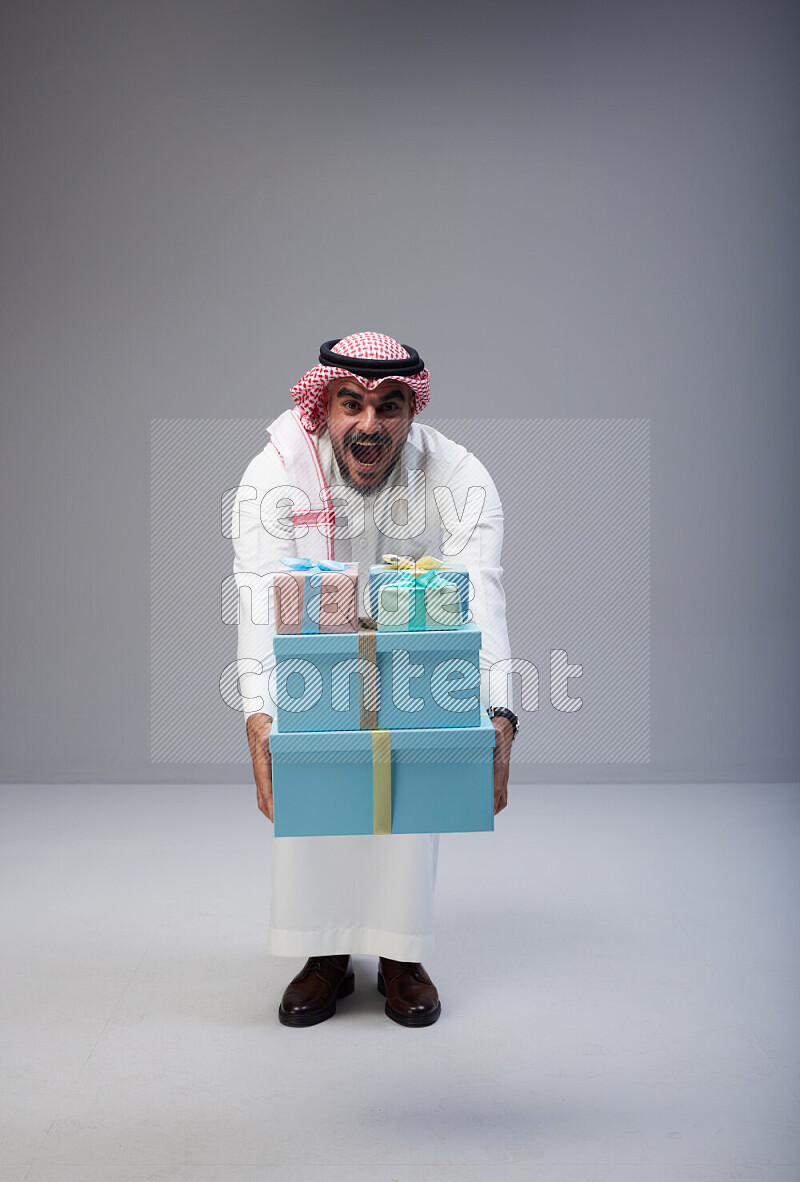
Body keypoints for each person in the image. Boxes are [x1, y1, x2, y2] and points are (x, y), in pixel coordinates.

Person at [231, 332, 517, 1027]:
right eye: (351, 403)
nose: (369, 424)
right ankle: (324, 955)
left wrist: (499, 716)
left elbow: (481, 590)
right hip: (312, 664)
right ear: (323, 406)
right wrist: (260, 717)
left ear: (411, 414)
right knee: (317, 786)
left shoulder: (457, 473)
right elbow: (258, 595)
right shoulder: (274, 475)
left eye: (388, 407)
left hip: (417, 664)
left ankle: (399, 953)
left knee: (409, 789)